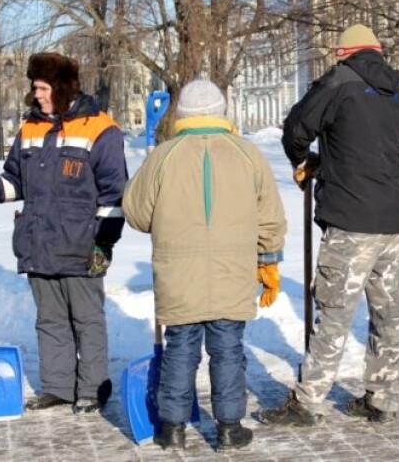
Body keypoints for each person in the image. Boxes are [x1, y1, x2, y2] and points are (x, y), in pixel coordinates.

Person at [259, 23, 399, 426]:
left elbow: (296, 127)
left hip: (351, 221)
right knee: (389, 314)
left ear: (344, 53)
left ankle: (308, 402)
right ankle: (381, 398)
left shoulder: (339, 80)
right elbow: (373, 142)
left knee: (333, 315)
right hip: (394, 222)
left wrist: (305, 159)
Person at [122, 79, 287, 451]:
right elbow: (270, 217)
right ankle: (229, 429)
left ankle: (173, 428)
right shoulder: (247, 154)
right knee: (228, 348)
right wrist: (268, 260)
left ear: (182, 115)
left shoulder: (163, 155)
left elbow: (135, 212)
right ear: (220, 112)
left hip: (179, 274)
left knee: (181, 348)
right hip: (233, 272)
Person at [0, 52, 127, 413]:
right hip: (37, 243)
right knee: (49, 319)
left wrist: (104, 242)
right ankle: (58, 386)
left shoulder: (101, 129)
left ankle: (91, 388)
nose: (35, 94)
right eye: (34, 86)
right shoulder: (30, 129)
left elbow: (115, 194)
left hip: (81, 246)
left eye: (42, 87)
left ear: (62, 88)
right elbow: (14, 182)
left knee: (87, 320)